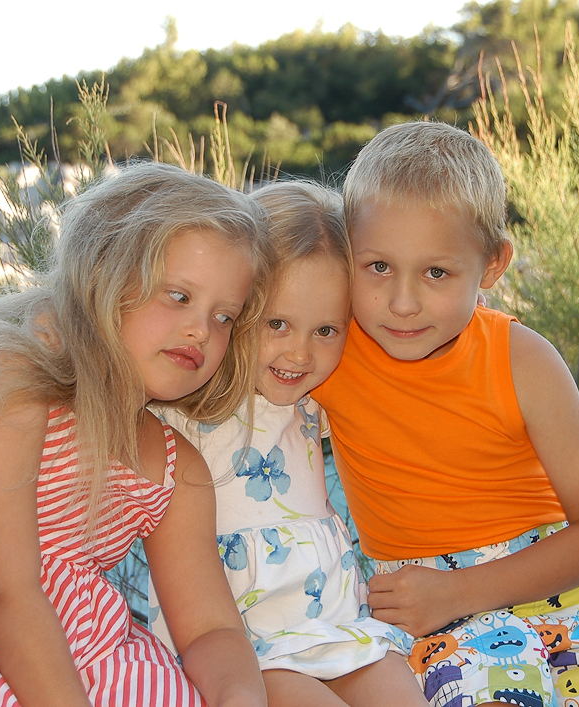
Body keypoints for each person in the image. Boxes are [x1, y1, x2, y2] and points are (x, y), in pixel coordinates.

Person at [0, 163, 274, 707]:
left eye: (225, 317)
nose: (201, 329)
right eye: (179, 296)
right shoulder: (4, 375)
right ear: (103, 275)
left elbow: (209, 629)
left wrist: (239, 699)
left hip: (90, 668)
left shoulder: (171, 468)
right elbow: (0, 593)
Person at [313, 122, 579, 707]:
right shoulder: (330, 354)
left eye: (436, 272)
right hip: (431, 615)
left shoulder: (524, 362)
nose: (402, 302)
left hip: (562, 598)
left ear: (491, 265)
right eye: (377, 266)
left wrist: (461, 590)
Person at [149, 181, 427, 707]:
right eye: (277, 323)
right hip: (243, 646)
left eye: (326, 331)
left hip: (338, 625)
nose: (300, 354)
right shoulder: (182, 406)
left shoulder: (316, 402)